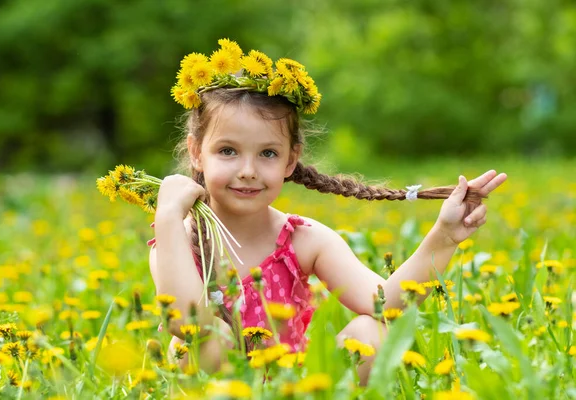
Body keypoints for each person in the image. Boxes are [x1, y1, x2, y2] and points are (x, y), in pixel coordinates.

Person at [148, 38, 507, 384]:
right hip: (214, 390)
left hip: (297, 388)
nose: (248, 170)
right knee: (208, 337)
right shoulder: (178, 239)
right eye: (227, 151)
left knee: (371, 331)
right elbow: (187, 321)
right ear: (197, 153)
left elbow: (384, 303)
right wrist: (167, 216)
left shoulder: (303, 239)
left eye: (267, 153)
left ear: (291, 160)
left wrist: (442, 238)